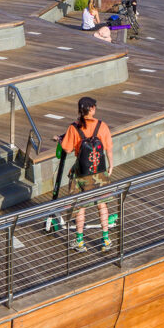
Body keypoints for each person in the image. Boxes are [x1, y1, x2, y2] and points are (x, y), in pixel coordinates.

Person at [59, 97, 115, 252]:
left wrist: (59, 139)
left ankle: (80, 242)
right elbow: (108, 149)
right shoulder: (101, 126)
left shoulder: (74, 127)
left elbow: (67, 149)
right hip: (99, 172)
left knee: (80, 206)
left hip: (81, 173)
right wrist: (110, 165)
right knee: (102, 204)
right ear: (92, 109)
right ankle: (105, 239)